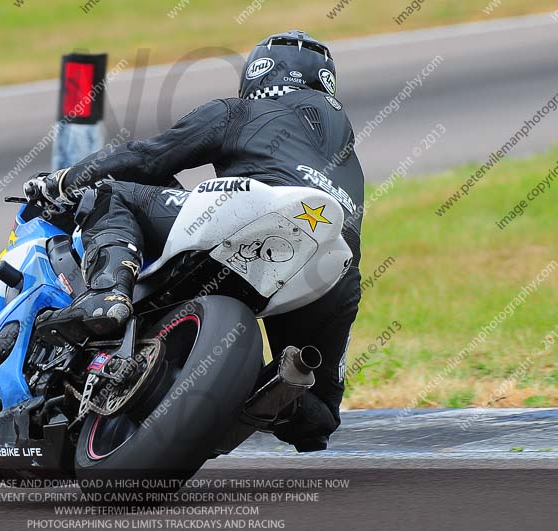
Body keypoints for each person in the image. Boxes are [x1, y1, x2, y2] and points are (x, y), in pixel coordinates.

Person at [23, 30, 364, 452]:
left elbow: (146, 158)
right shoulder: (348, 158)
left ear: (258, 74)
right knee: (319, 415)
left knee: (109, 194)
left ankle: (108, 293)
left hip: (259, 213)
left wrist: (60, 181)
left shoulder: (242, 110)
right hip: (333, 265)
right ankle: (269, 392)